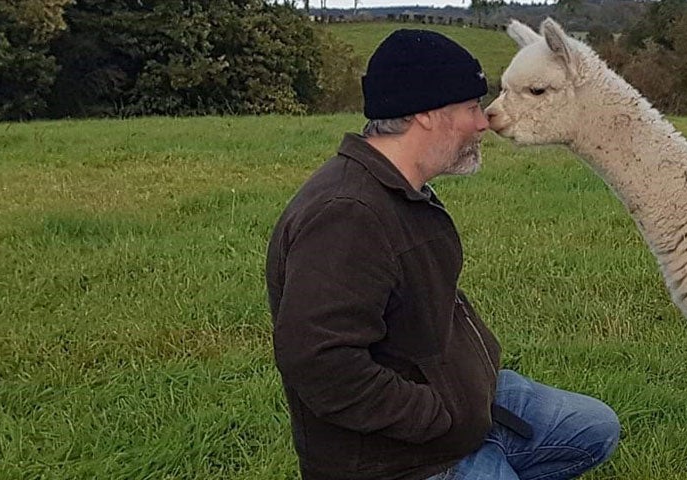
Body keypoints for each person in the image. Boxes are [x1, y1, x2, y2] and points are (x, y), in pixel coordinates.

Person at [265, 29, 621, 480]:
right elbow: (320, 363)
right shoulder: (347, 216)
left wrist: (467, 399)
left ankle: (487, 451)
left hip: (466, 406)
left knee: (593, 428)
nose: (483, 122)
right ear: (427, 115)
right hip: (400, 458)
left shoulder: (401, 190)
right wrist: (440, 419)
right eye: (471, 108)